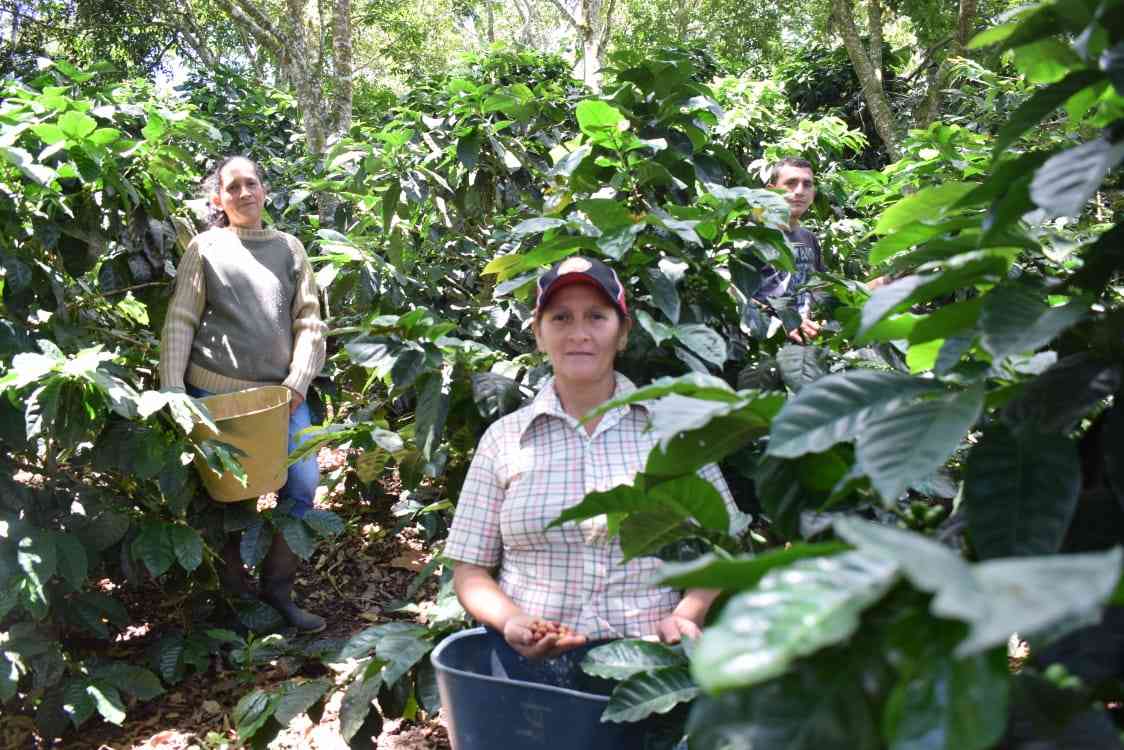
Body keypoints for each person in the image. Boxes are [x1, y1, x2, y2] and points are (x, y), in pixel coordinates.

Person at [446, 256, 740, 663]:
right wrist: (512, 620)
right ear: (539, 334)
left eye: (597, 317)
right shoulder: (503, 439)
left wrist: (685, 615)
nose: (579, 334)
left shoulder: (674, 433)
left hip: (647, 663)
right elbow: (469, 569)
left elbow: (722, 545)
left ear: (623, 333)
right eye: (561, 318)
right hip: (529, 673)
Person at [159, 155, 327, 633]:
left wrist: (297, 382)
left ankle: (278, 591)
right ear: (219, 198)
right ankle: (238, 604)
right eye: (232, 187)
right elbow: (181, 319)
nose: (244, 193)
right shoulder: (206, 247)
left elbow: (309, 321)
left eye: (251, 183)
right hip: (218, 395)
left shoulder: (289, 248)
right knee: (234, 496)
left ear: (264, 190)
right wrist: (173, 391)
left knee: (302, 485)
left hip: (282, 398)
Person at [755, 156, 827, 343]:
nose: (799, 191)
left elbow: (819, 290)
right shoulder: (753, 235)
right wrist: (782, 322)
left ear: (813, 193)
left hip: (803, 343)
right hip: (763, 342)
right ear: (772, 191)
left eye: (807, 184)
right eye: (791, 183)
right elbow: (732, 293)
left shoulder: (809, 239)